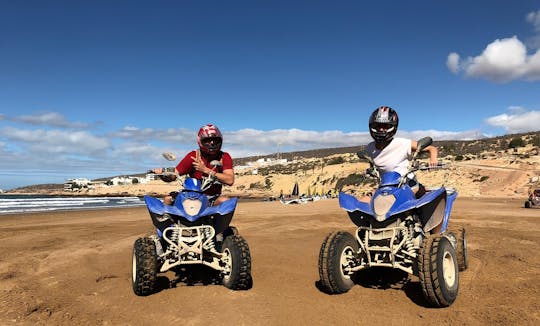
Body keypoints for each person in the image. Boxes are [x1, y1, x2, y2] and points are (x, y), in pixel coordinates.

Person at [362, 106, 438, 201]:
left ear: (392, 127)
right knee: (362, 202)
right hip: (385, 187)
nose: (381, 129)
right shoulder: (370, 148)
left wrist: (433, 159)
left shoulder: (402, 143)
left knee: (411, 203)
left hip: (407, 185)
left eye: (385, 126)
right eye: (378, 126)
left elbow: (431, 148)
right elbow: (373, 165)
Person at [153, 123, 235, 206]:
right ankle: (165, 218)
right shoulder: (193, 156)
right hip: (190, 196)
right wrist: (162, 174)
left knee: (226, 201)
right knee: (168, 199)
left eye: (215, 140)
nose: (212, 143)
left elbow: (230, 180)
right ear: (201, 141)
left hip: (212, 197)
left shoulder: (224, 157)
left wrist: (206, 170)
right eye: (207, 140)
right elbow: (174, 175)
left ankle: (219, 219)